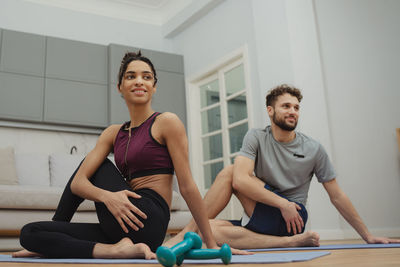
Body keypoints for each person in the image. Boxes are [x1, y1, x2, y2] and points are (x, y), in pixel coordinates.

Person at [12, 51, 227, 259]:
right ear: (120, 87)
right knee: (30, 233)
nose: (139, 81)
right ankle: (113, 250)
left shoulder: (166, 122)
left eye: (147, 77)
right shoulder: (113, 133)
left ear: (154, 87)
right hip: (122, 220)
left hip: (149, 218)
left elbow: (187, 186)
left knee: (97, 165)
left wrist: (210, 242)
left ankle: (60, 237)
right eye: (131, 76)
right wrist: (109, 198)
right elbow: (78, 184)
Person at [165, 84, 400, 249]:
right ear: (270, 110)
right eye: (286, 106)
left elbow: (337, 195)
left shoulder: (313, 148)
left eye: (296, 107)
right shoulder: (256, 136)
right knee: (209, 230)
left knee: (227, 176)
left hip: (292, 218)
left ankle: (186, 233)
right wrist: (281, 203)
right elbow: (240, 180)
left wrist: (366, 234)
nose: (293, 111)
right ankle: (288, 243)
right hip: (270, 209)